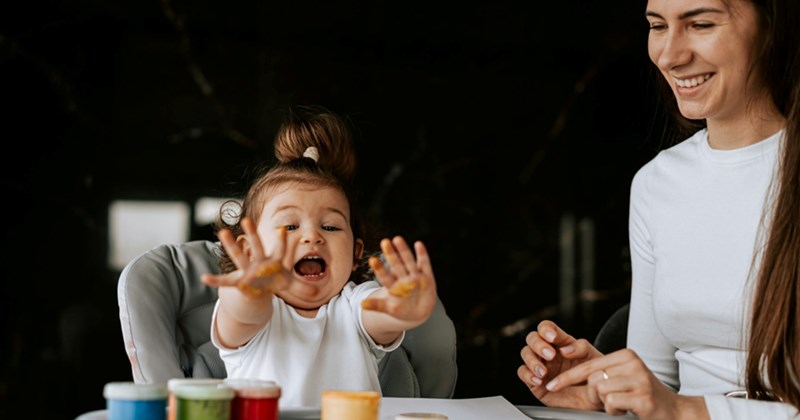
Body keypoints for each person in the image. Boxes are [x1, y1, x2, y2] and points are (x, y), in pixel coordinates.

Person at [517, 0, 800, 418]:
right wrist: (605, 385)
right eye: (657, 25)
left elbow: (677, 405)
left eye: (701, 24)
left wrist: (687, 410)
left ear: (774, 27)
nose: (670, 55)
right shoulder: (657, 183)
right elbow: (658, 382)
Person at [201, 106, 439, 408]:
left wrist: (400, 307)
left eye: (331, 226)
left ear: (355, 254)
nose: (312, 236)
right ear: (250, 251)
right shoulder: (259, 312)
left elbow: (379, 312)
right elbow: (242, 313)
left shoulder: (353, 306)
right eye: (290, 226)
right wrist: (246, 292)